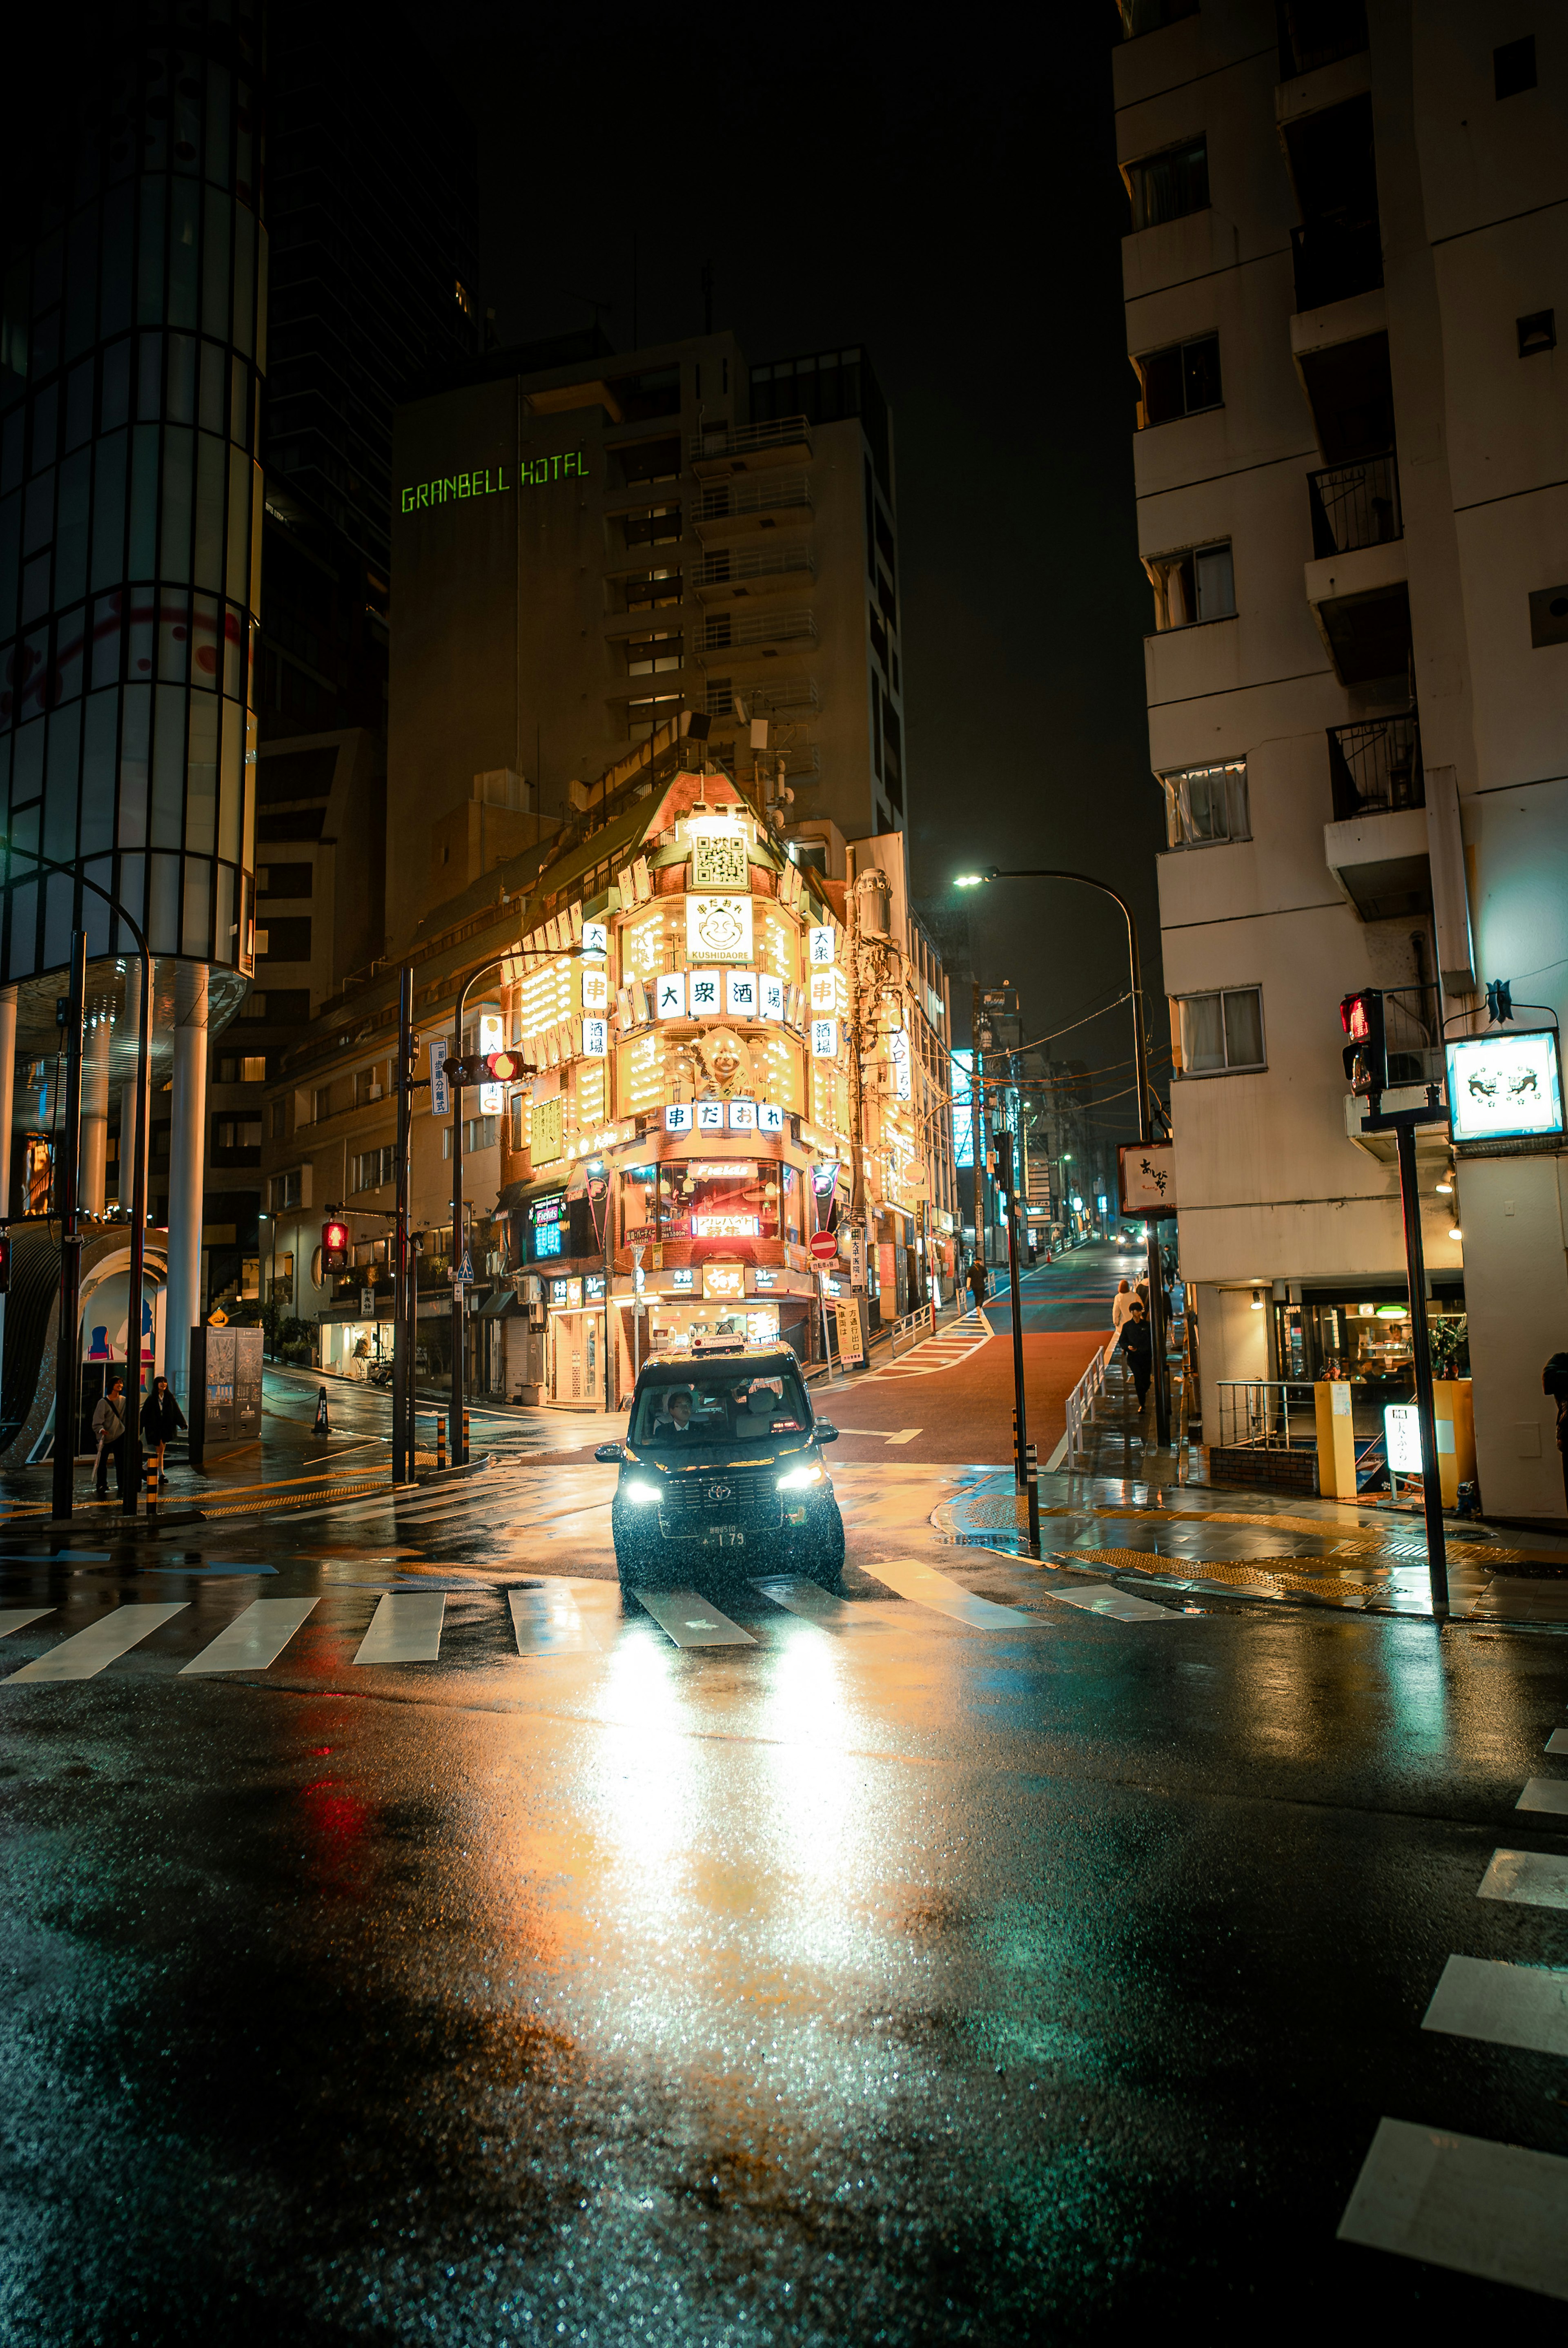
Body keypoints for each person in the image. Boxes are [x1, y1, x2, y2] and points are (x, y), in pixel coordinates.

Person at [140, 1374, 187, 1486]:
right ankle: (161, 1473)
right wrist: (140, 1428)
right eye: (161, 1382)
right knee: (160, 1449)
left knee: (161, 1450)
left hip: (166, 1427)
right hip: (155, 1428)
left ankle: (146, 1467)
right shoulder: (151, 1399)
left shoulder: (169, 1398)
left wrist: (182, 1423)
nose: (163, 1384)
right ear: (157, 1385)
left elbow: (176, 1411)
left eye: (165, 1382)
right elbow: (144, 1414)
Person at [91, 1376, 128, 1499]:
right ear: (111, 1385)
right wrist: (101, 1430)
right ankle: (102, 1484)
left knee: (120, 1462)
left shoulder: (124, 1401)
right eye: (117, 1384)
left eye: (121, 1384)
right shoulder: (103, 1402)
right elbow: (97, 1421)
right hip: (106, 1436)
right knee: (102, 1462)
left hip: (120, 1435)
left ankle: (122, 1485)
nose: (120, 1386)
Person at [1118, 1300, 1154, 1411]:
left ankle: (1144, 1390)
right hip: (1134, 1358)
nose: (1138, 1313)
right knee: (1138, 1379)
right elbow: (1122, 1341)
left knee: (1146, 1381)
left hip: (1146, 1357)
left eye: (1140, 1310)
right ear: (1132, 1312)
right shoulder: (1127, 1326)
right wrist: (1128, 1347)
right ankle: (1142, 1404)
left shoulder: (1147, 1326)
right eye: (1136, 1311)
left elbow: (1151, 1342)